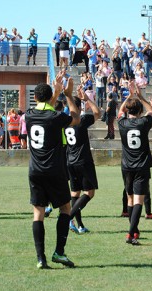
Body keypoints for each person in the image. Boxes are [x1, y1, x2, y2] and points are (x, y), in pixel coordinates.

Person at [25, 72, 80, 268]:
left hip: (35, 170)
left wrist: (54, 94)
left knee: (38, 213)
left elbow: (46, 110)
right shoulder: (56, 117)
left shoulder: (29, 115)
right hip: (55, 170)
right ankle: (59, 252)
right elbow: (75, 118)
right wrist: (68, 94)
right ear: (50, 99)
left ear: (34, 98)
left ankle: (41, 259)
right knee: (65, 208)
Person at [118, 82, 152, 245]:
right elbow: (151, 111)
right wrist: (141, 96)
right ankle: (130, 234)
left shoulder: (122, 123)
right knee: (138, 201)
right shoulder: (143, 122)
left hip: (126, 166)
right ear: (140, 111)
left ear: (128, 111)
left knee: (130, 200)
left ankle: (134, 230)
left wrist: (129, 96)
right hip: (141, 166)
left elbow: (121, 111)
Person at [66, 87, 100, 234]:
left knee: (75, 194)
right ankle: (68, 217)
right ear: (79, 107)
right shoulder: (82, 119)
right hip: (83, 161)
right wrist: (87, 99)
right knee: (89, 193)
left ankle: (79, 225)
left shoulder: (65, 121)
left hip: (70, 161)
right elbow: (98, 113)